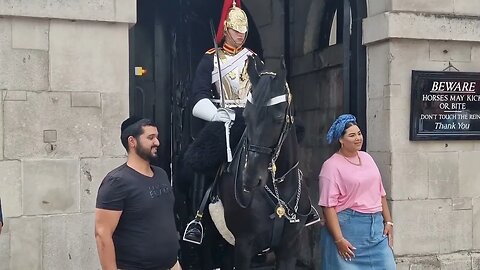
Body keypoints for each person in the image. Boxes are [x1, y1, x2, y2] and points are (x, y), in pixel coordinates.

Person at [183, 0, 320, 244]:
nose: (241, 36)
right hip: (226, 118)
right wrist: (216, 115)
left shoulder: (254, 59)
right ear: (226, 29)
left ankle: (303, 203)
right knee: (200, 159)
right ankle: (198, 216)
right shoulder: (211, 59)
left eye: (244, 32)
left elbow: (266, 89)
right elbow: (198, 96)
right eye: (236, 31)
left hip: (254, 118)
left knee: (287, 142)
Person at [95, 116, 181, 270]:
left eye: (157, 137)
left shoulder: (161, 174)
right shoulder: (117, 182)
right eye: (151, 137)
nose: (157, 142)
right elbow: (102, 234)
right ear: (132, 142)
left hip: (171, 264)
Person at [318, 114, 396, 269]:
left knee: (388, 266)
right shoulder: (331, 166)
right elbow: (328, 206)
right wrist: (339, 240)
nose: (358, 138)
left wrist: (388, 221)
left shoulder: (367, 158)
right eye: (352, 135)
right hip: (348, 230)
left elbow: (380, 192)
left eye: (359, 133)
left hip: (376, 230)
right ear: (341, 140)